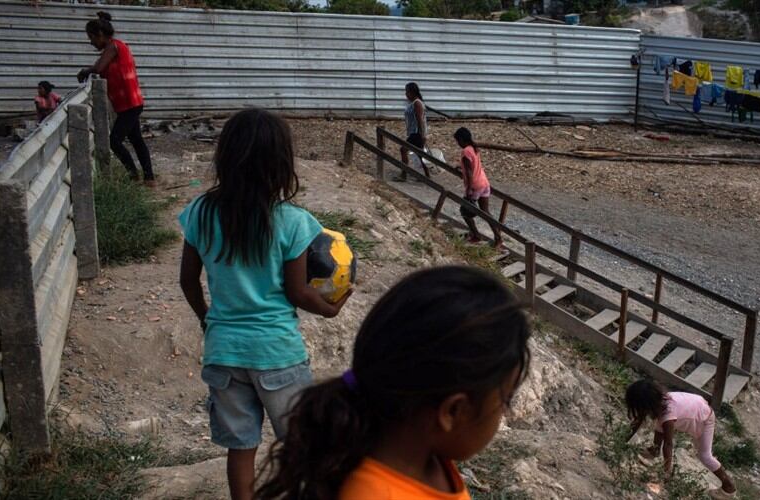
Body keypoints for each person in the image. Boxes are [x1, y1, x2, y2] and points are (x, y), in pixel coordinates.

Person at [178, 108, 352, 500]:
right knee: (302, 443)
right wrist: (330, 308)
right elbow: (296, 292)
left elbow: (188, 281)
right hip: (277, 354)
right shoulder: (292, 221)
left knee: (240, 446)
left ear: (225, 157)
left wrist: (209, 320)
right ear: (280, 162)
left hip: (223, 352)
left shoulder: (201, 213)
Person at [255, 265, 532, 500]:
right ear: (452, 412)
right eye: (505, 400)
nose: (503, 412)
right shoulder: (373, 493)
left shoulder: (428, 458)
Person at [77, 12, 155, 186]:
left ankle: (134, 175)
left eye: (91, 38)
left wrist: (85, 71)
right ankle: (148, 178)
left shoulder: (114, 47)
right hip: (129, 104)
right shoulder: (112, 48)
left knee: (114, 141)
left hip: (130, 104)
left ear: (101, 34)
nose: (91, 42)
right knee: (136, 140)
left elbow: (98, 68)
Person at [625, 380, 736, 498]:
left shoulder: (668, 416)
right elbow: (639, 419)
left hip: (704, 419)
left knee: (705, 456)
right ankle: (654, 451)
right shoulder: (661, 401)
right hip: (697, 406)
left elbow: (668, 444)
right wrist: (624, 439)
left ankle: (728, 487)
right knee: (659, 425)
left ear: (647, 405)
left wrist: (666, 473)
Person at [454, 128, 502, 248]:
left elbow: (470, 172)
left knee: (465, 212)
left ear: (461, 139)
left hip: (475, 185)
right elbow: (473, 166)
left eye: (457, 141)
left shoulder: (465, 152)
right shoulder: (474, 148)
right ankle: (498, 237)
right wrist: (461, 168)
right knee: (486, 212)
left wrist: (469, 189)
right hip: (484, 183)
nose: (457, 144)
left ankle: (476, 235)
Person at [395, 81, 430, 182]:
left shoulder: (417, 103)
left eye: (407, 92)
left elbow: (420, 119)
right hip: (415, 132)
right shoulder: (415, 103)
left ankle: (404, 174)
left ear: (412, 92)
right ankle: (427, 175)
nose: (406, 94)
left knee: (403, 150)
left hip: (416, 133)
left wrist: (422, 134)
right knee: (420, 154)